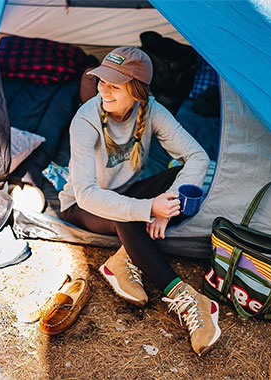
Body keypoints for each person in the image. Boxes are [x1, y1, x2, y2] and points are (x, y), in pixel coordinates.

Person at [59, 46, 221, 356]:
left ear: (136, 90)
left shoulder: (153, 110)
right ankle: (188, 299)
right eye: (101, 81)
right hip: (80, 206)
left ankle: (122, 259)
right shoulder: (85, 120)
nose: (103, 90)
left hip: (126, 194)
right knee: (126, 215)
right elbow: (86, 194)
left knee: (173, 180)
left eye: (114, 85)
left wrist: (165, 206)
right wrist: (148, 209)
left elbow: (196, 155)